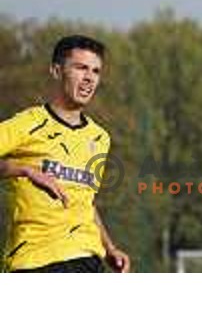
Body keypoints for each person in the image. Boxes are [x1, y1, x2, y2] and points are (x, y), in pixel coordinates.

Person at [0, 35, 130, 273]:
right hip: (37, 261)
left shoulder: (99, 137)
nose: (89, 78)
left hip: (89, 260)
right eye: (80, 68)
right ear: (57, 70)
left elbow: (84, 201)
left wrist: (110, 247)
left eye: (95, 71)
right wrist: (24, 170)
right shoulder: (29, 123)